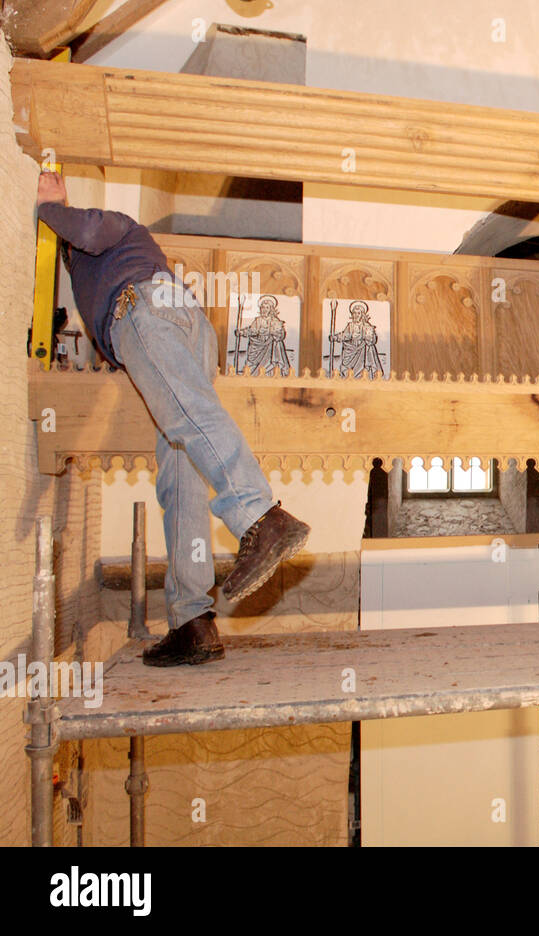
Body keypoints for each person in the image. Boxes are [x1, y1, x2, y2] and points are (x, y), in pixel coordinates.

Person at [35, 171, 312, 666]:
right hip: (182, 325)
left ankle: (260, 516)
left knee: (189, 417)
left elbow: (91, 230)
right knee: (182, 474)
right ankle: (192, 621)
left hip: (147, 310)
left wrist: (47, 204)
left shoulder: (115, 230)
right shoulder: (91, 268)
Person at [235, 294, 291, 374]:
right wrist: (241, 332)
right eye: (263, 307)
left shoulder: (275, 321)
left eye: (267, 307)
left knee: (276, 344)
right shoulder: (258, 320)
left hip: (269, 346)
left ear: (271, 309)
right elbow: (252, 330)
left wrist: (276, 334)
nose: (264, 310)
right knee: (251, 365)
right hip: (258, 346)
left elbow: (280, 335)